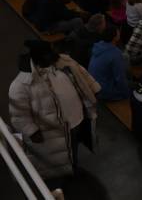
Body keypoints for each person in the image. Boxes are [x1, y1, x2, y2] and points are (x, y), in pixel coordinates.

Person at [9, 40, 100, 178]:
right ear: (36, 58)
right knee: (63, 150)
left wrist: (93, 88)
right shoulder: (21, 85)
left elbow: (81, 72)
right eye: (46, 55)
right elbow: (19, 114)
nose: (52, 56)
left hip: (78, 119)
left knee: (75, 144)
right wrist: (31, 130)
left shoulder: (63, 63)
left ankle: (73, 162)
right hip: (56, 129)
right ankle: (69, 171)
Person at [88, 25, 130, 101]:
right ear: (114, 37)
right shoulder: (115, 54)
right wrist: (126, 94)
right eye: (118, 32)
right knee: (134, 88)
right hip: (104, 91)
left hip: (93, 85)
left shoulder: (98, 45)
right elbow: (120, 79)